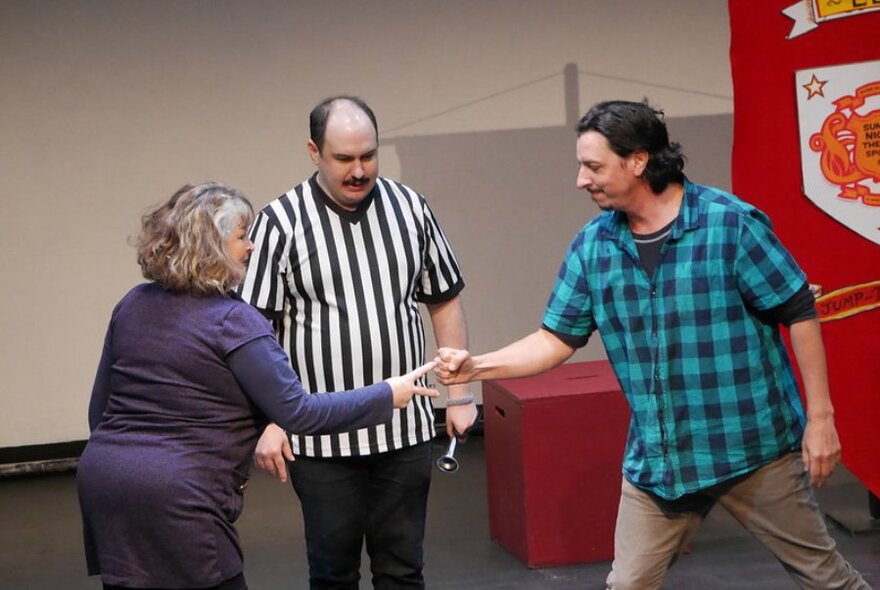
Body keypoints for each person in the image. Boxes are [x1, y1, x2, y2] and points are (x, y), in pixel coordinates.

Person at [434, 100, 871, 589]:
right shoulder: (594, 246)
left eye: (594, 166)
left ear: (638, 161)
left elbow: (798, 311)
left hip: (751, 449)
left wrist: (821, 419)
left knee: (827, 580)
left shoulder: (729, 225)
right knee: (628, 584)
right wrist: (477, 367)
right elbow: (554, 340)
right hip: (661, 464)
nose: (582, 179)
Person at [77, 182, 439, 590]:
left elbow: (100, 412)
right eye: (242, 237)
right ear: (212, 246)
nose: (251, 247)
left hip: (104, 482)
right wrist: (387, 394)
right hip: (178, 494)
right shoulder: (234, 319)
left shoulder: (133, 303)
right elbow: (299, 411)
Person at [237, 96, 477, 589]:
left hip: (405, 430)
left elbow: (444, 300)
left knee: (403, 570)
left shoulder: (410, 208)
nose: (358, 170)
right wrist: (270, 420)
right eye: (344, 158)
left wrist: (460, 394)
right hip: (321, 437)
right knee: (333, 574)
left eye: (368, 155)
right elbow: (253, 330)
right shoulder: (280, 222)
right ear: (313, 152)